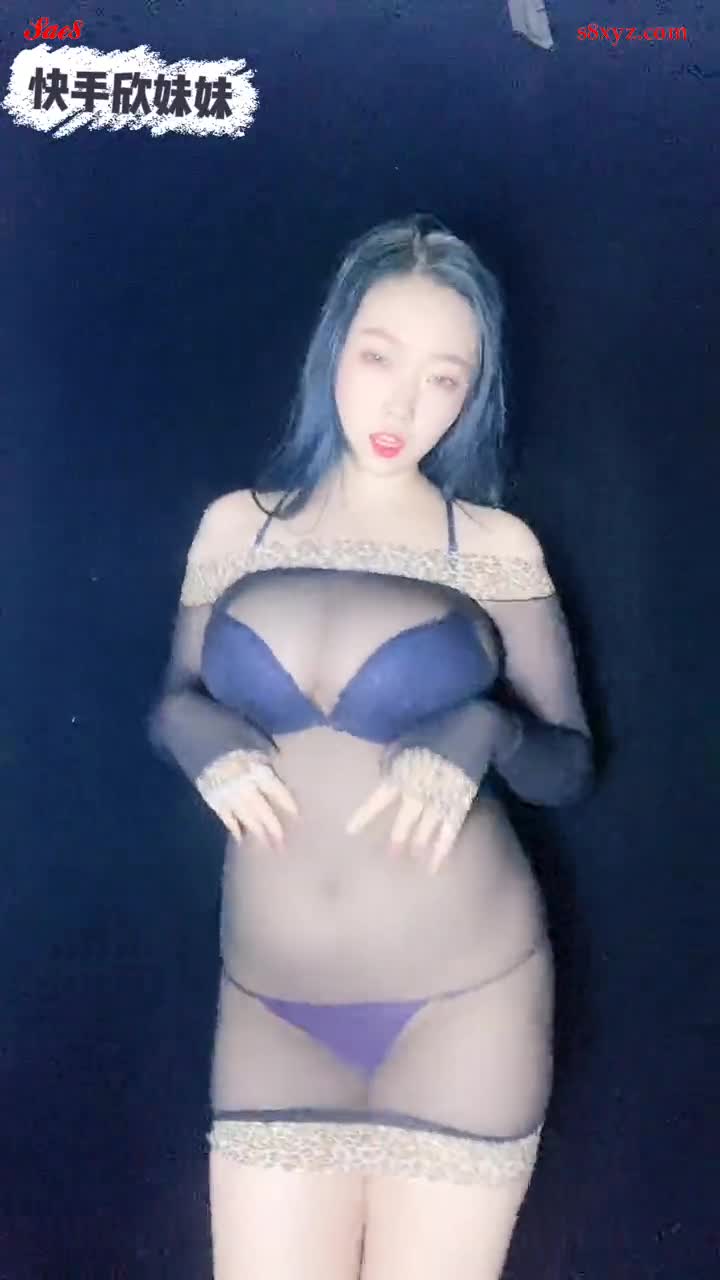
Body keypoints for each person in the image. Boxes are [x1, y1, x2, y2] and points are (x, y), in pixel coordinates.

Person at [147, 214, 595, 1280]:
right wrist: (192, 729)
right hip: (270, 1012)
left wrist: (484, 725)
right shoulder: (237, 528)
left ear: (472, 393)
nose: (403, 406)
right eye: (380, 358)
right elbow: (173, 699)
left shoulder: (491, 547)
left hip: (466, 1007)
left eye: (444, 379)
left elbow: (571, 764)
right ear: (333, 346)